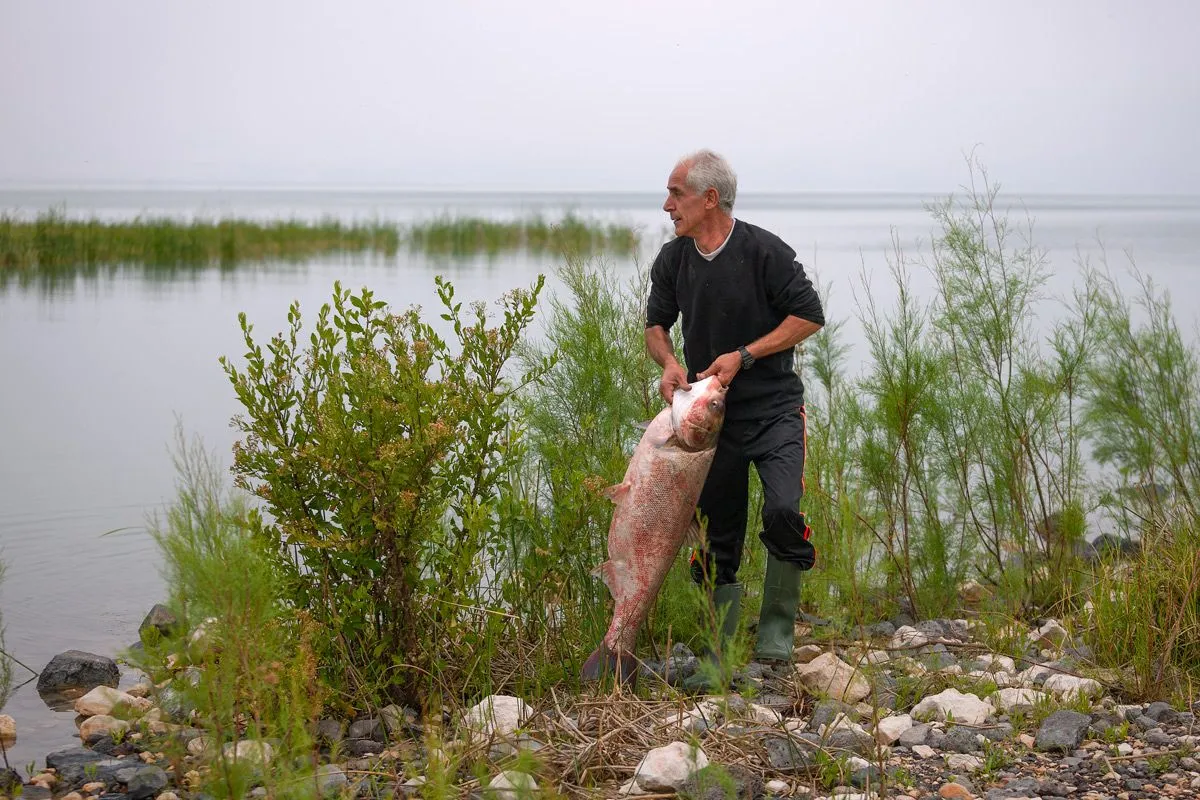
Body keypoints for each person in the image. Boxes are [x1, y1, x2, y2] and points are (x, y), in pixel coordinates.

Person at [644, 149, 824, 684]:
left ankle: (775, 640)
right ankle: (717, 655)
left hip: (774, 412)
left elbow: (809, 316)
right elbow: (656, 325)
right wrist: (670, 362)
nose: (667, 205)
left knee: (784, 512)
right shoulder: (673, 259)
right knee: (716, 535)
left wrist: (745, 356)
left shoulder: (765, 252)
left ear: (709, 198)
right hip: (707, 422)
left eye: (676, 194)